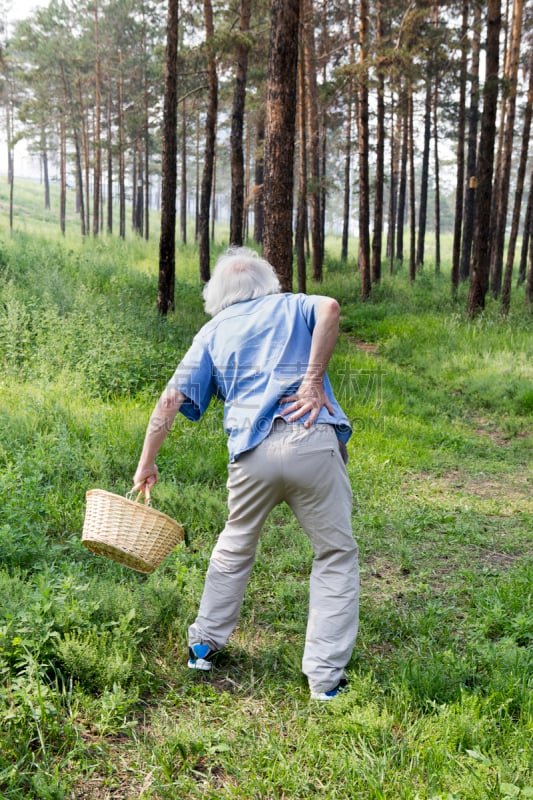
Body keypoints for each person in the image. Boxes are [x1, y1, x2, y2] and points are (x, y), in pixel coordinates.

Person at [133, 247, 359, 701]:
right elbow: (331, 307)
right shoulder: (292, 304)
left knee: (235, 545)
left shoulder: (214, 331)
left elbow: (168, 401)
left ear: (218, 294)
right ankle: (324, 680)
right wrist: (312, 380)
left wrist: (146, 462)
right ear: (266, 282)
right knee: (334, 554)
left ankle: (203, 644)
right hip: (311, 440)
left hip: (251, 454)